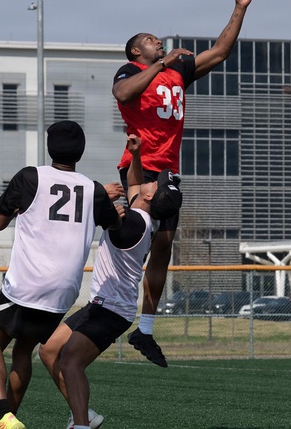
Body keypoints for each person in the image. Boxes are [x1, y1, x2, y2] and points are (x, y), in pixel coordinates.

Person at [112, 0, 261, 367]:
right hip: (140, 167)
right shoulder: (131, 72)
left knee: (163, 248)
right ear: (135, 53)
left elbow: (220, 51)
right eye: (148, 40)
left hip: (168, 172)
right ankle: (110, 304)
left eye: (157, 39)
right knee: (137, 239)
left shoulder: (176, 71)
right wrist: (160, 63)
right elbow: (123, 94)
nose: (156, 40)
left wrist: (239, 8)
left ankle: (144, 329)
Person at [0, 120, 125, 429]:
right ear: (81, 152)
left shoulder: (30, 177)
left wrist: (20, 207)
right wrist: (104, 199)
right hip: (62, 293)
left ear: (48, 147)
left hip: (25, 284)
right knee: (23, 349)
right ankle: (7, 422)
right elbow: (113, 223)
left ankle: (3, 416)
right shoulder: (93, 190)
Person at [38, 133, 183, 429]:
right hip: (101, 305)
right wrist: (137, 155)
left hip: (113, 311)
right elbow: (133, 183)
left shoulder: (132, 224)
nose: (151, 180)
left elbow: (101, 213)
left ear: (151, 196)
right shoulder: (143, 212)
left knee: (71, 362)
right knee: (48, 350)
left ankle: (80, 424)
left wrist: (101, 195)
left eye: (156, 182)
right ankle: (85, 416)